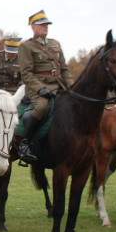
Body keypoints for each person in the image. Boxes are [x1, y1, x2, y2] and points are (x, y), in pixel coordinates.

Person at [16, 10, 71, 163]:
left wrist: (72, 88)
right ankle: (25, 144)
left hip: (58, 84)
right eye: (42, 24)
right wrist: (40, 88)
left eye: (47, 24)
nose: (45, 27)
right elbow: (26, 74)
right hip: (38, 87)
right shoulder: (26, 46)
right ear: (33, 27)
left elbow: (65, 69)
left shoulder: (55, 44)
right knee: (41, 106)